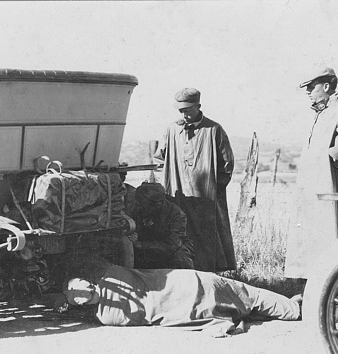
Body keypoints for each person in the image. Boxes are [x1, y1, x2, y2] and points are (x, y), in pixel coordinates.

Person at [63, 257, 301, 336]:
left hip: (189, 311)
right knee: (249, 295)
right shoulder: (112, 274)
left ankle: (293, 310)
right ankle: (296, 309)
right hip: (188, 283)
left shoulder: (107, 317)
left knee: (241, 306)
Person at [285, 67, 338, 279]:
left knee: (334, 233)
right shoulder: (323, 113)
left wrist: (333, 157)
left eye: (312, 87)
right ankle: (319, 285)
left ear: (326, 86)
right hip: (318, 188)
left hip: (334, 184)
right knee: (318, 234)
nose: (308, 92)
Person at [154, 88, 236, 272]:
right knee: (179, 233)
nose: (184, 114)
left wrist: (214, 189)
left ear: (198, 106)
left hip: (205, 199)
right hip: (178, 194)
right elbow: (160, 158)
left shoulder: (214, 129)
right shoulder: (172, 129)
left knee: (206, 235)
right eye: (181, 110)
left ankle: (209, 274)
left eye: (188, 110)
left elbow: (227, 165)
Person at [128, 182, 194, 269]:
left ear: (157, 205)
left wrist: (140, 244)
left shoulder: (176, 215)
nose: (138, 206)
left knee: (180, 254)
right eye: (137, 202)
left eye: (142, 204)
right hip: (145, 246)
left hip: (167, 249)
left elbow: (172, 244)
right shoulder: (138, 207)